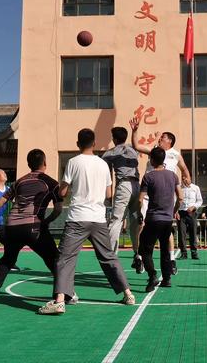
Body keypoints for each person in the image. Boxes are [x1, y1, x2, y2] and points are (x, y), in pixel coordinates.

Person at [38, 129, 135, 315]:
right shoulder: (103, 164)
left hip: (77, 218)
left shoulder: (73, 162)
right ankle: (127, 293)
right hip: (98, 218)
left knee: (65, 259)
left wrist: (66, 189)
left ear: (77, 143)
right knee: (108, 257)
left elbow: (63, 192)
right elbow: (109, 194)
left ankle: (59, 300)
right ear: (95, 143)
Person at [0, 149, 63, 304]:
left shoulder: (19, 182)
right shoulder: (51, 183)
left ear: (28, 164)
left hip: (12, 226)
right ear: (45, 163)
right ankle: (65, 294)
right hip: (33, 226)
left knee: (8, 259)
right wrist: (47, 221)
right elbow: (58, 209)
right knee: (55, 259)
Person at [129, 117, 191, 275]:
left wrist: (187, 177)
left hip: (166, 196)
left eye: (162, 137)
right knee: (141, 225)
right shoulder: (154, 151)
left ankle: (171, 260)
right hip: (148, 193)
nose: (160, 138)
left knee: (167, 229)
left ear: (169, 141)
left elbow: (184, 169)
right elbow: (136, 145)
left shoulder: (175, 155)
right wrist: (134, 131)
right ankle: (139, 256)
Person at [138, 147, 183, 292]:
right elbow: (180, 197)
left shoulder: (148, 177)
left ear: (151, 160)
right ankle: (167, 279)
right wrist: (174, 211)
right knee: (165, 250)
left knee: (145, 249)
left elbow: (140, 200)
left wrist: (140, 214)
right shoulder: (173, 176)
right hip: (167, 220)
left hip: (152, 218)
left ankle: (152, 276)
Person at [102, 127, 140, 254]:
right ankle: (138, 254)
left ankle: (111, 255)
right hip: (136, 185)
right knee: (135, 222)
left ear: (114, 139)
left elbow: (102, 167)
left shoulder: (111, 152)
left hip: (124, 185)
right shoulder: (133, 148)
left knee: (116, 220)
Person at [177, 178, 202, 260]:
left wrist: (194, 207)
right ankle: (183, 253)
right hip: (181, 212)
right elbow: (174, 200)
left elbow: (199, 201)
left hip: (192, 213)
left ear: (190, 179)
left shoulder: (195, 188)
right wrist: (175, 211)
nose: (185, 180)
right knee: (181, 233)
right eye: (183, 179)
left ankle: (194, 252)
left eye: (186, 178)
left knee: (193, 233)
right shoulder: (178, 188)